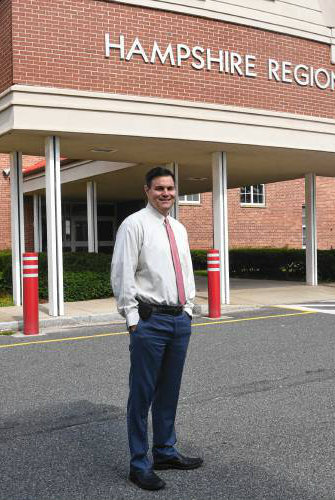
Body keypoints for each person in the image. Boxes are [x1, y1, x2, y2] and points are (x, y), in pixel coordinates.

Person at [111, 166, 202, 491]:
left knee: (169, 391)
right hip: (150, 322)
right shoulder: (134, 225)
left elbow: (187, 272)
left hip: (179, 320)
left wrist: (188, 309)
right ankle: (139, 463)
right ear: (147, 190)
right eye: (159, 188)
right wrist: (132, 319)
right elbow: (122, 273)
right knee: (142, 394)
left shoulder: (178, 228)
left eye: (170, 188)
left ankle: (164, 451)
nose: (166, 193)